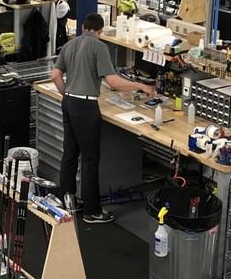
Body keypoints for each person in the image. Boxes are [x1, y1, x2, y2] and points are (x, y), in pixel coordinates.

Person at [52, 13, 156, 224]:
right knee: (90, 159)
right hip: (86, 105)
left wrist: (68, 95)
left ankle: (66, 202)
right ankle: (92, 211)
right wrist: (141, 86)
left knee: (70, 153)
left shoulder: (69, 45)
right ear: (99, 31)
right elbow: (113, 82)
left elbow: (55, 75)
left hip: (69, 102)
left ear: (83, 27)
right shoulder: (99, 47)